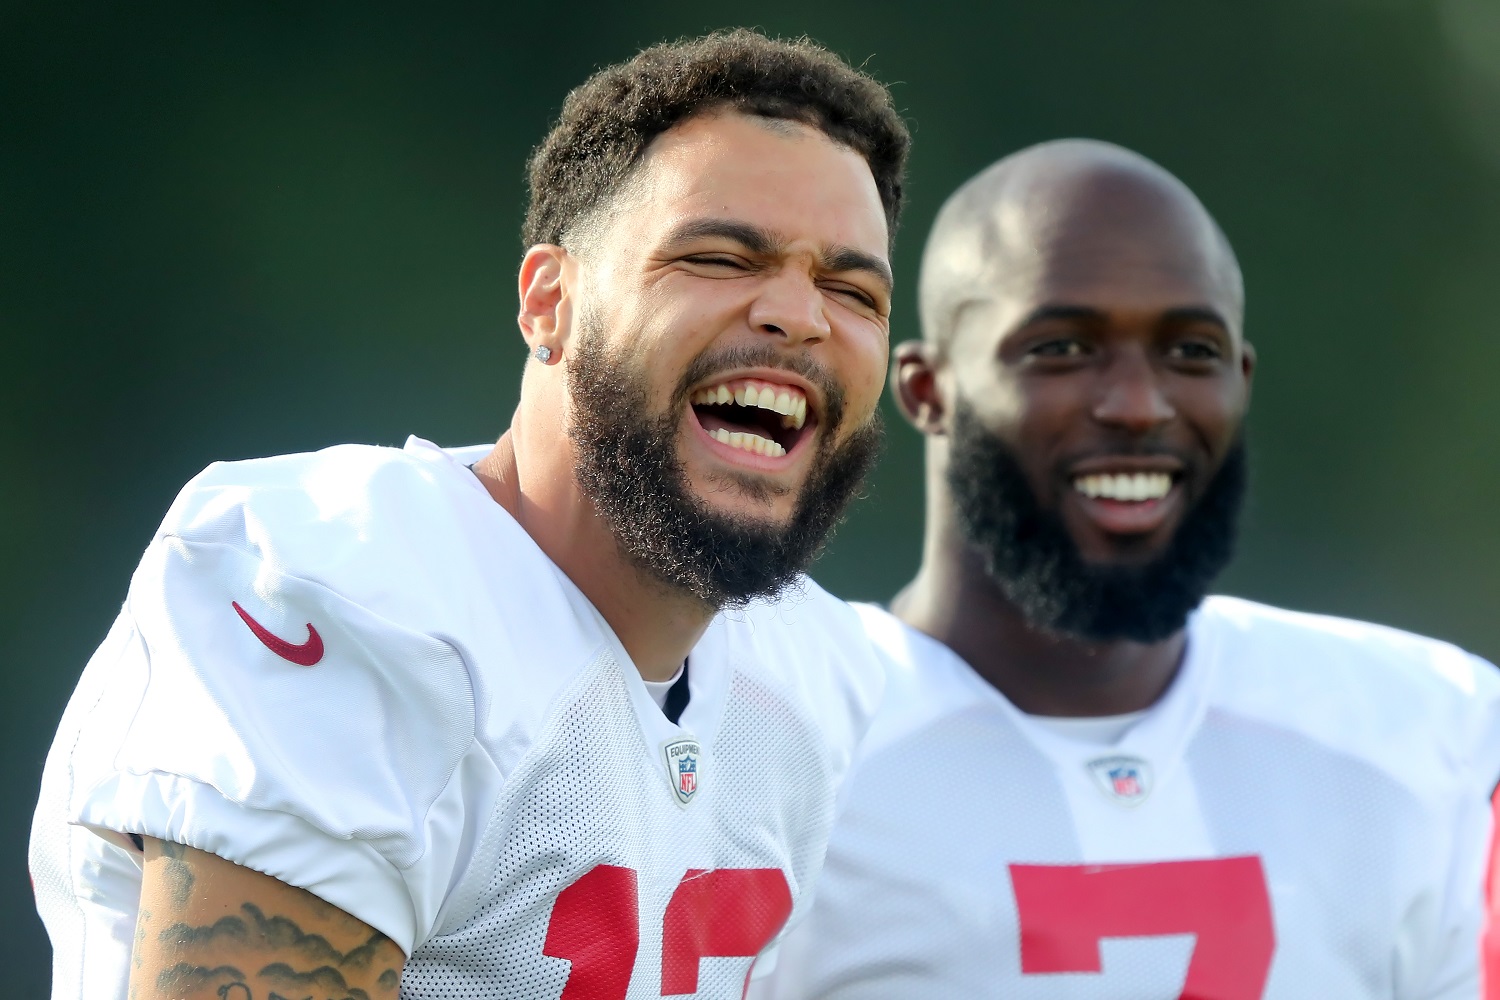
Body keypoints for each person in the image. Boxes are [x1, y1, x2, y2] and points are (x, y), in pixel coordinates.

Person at [31, 29, 909, 1000]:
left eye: (851, 288)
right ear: (550, 303)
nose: (800, 314)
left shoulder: (823, 678)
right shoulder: (354, 594)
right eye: (716, 256)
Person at [757, 140, 1500, 999]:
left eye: (1191, 352)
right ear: (927, 389)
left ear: (1242, 380)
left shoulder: (1436, 737)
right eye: (1064, 348)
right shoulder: (776, 744)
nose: (1140, 405)